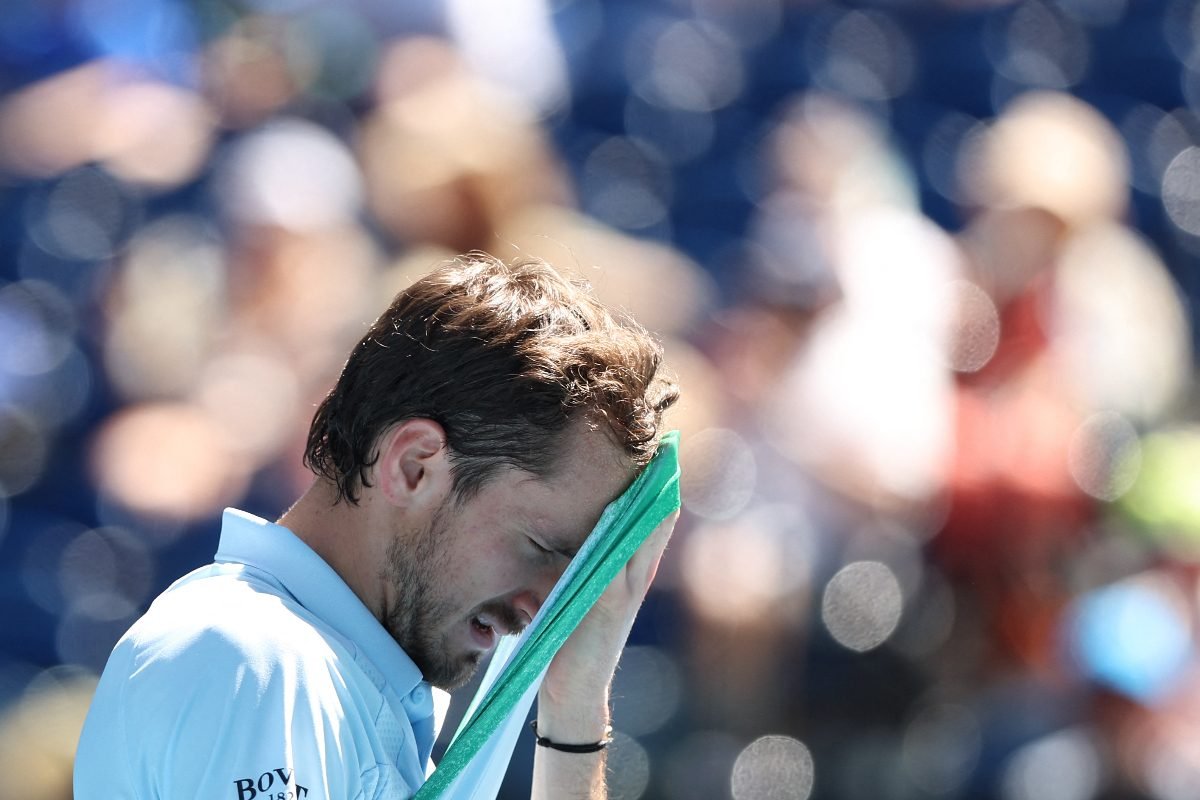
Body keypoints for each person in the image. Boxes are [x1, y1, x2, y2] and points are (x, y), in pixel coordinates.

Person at [73, 252, 680, 800]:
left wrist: (575, 710)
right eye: (543, 546)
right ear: (414, 467)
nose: (548, 605)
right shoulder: (256, 660)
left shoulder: (316, 677)